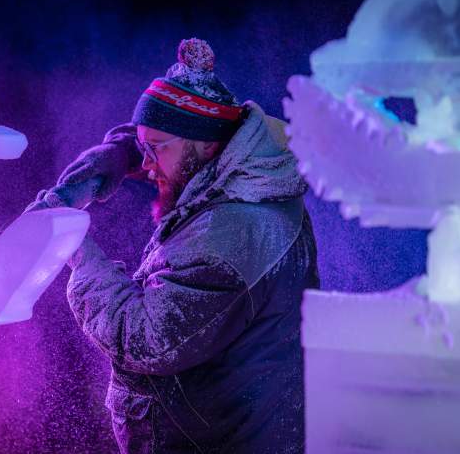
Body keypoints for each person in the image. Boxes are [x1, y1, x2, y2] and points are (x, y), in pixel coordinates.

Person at [38, 38, 319, 453]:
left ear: (207, 145)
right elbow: (175, 139)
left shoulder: (231, 237)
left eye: (153, 148)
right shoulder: (245, 168)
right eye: (142, 144)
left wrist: (79, 253)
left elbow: (143, 338)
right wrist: (121, 153)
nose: (146, 162)